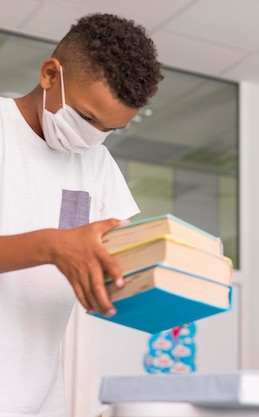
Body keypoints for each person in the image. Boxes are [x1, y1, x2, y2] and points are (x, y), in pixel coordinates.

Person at [0, 13, 162, 416]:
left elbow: (121, 257)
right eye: (88, 118)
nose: (91, 136)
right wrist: (53, 247)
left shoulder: (98, 165)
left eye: (108, 129)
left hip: (39, 399)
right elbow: (62, 248)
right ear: (50, 75)